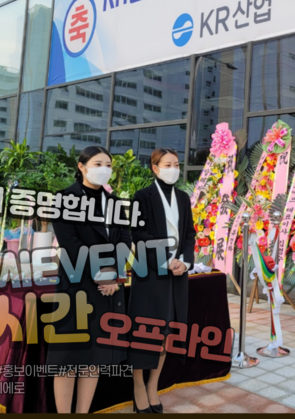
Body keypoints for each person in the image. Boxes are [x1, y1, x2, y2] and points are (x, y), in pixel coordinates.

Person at [48, 146, 131, 414]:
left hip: (108, 290)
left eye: (108, 164)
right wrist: (100, 274)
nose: (104, 169)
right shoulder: (65, 199)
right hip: (77, 287)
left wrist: (115, 275)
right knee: (67, 359)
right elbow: (70, 243)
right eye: (98, 163)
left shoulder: (114, 202)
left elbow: (125, 240)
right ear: (82, 166)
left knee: (94, 358)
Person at [128, 148, 196, 414]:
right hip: (151, 273)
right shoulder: (142, 197)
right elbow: (138, 233)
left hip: (178, 275)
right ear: (155, 168)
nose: (174, 169)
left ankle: (152, 385)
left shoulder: (183, 197)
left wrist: (185, 262)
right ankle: (137, 386)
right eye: (168, 165)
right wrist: (166, 260)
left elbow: (189, 234)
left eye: (176, 164)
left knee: (167, 332)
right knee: (145, 332)